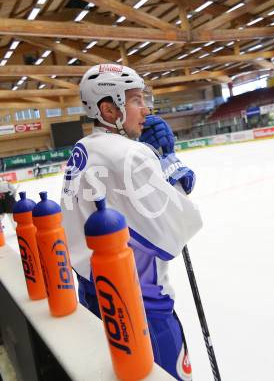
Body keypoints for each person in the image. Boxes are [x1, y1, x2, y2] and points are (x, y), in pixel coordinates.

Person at [60, 64, 202, 381]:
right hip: (142, 311)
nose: (146, 109)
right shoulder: (131, 155)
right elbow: (175, 232)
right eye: (136, 99)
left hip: (95, 300)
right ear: (109, 109)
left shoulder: (80, 151)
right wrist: (170, 165)